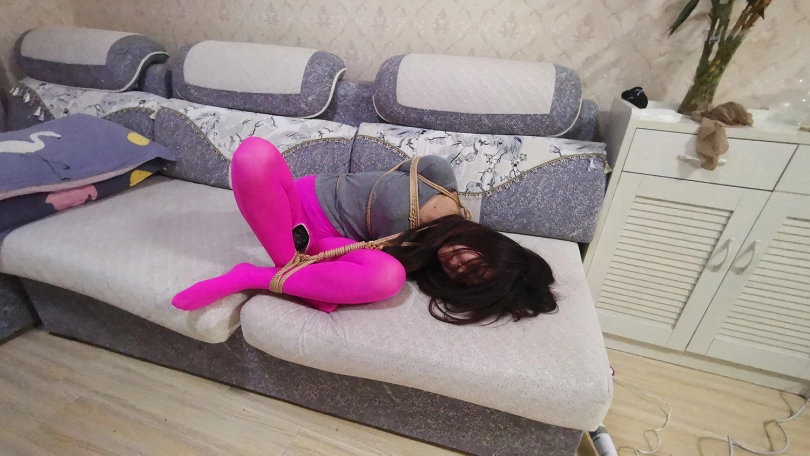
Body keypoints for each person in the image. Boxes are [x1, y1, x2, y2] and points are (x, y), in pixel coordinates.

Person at [172, 137, 558, 325]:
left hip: (321, 243)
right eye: (475, 265)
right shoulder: (441, 178)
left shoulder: (415, 259)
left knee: (388, 279)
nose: (459, 269)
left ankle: (252, 277)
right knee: (254, 154)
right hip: (292, 206)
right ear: (490, 243)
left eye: (467, 280)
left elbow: (346, 250)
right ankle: (294, 272)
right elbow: (388, 180)